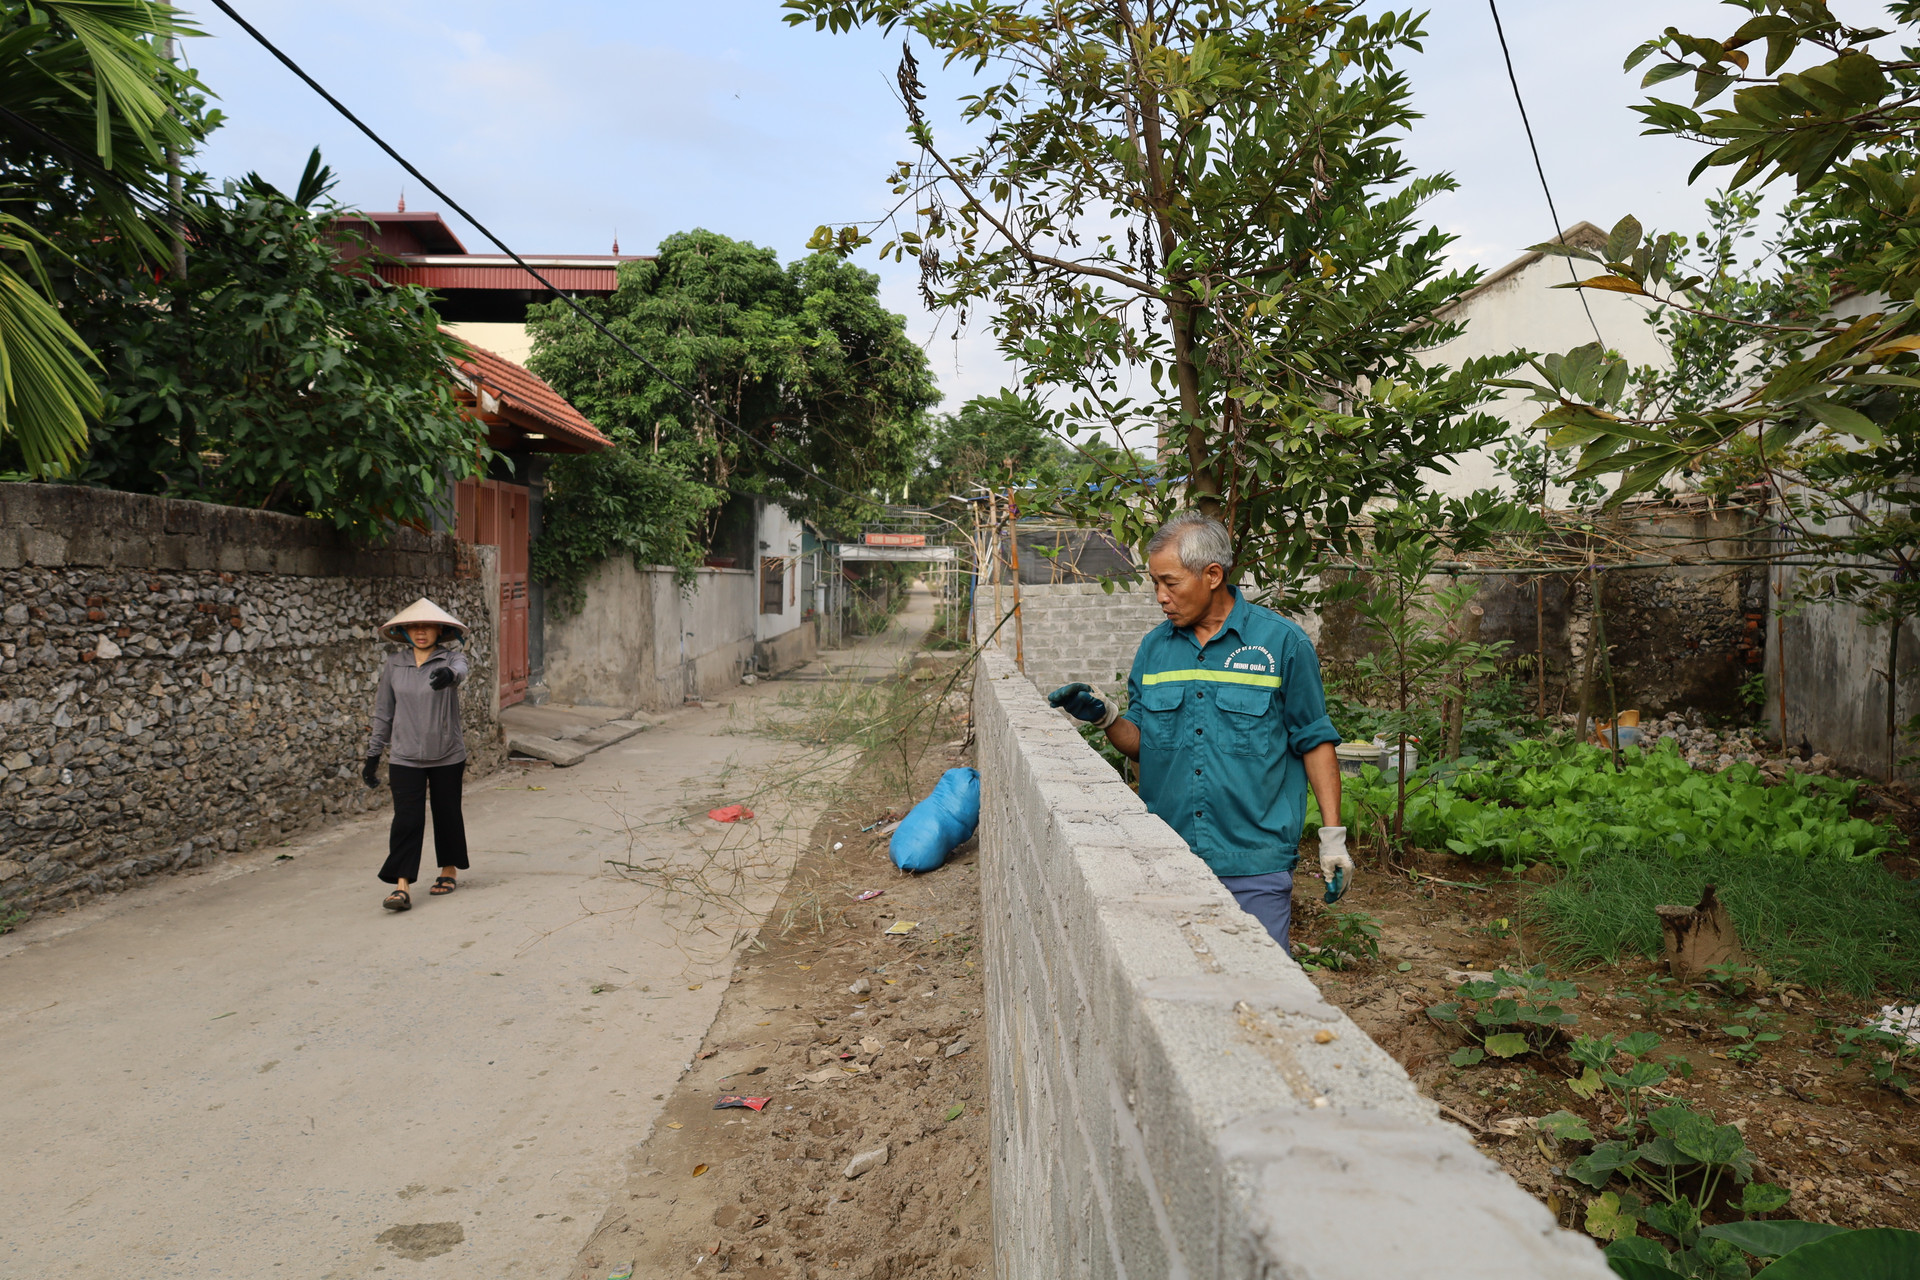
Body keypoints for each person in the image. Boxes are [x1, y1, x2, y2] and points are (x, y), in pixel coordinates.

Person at [1047, 510, 1348, 952]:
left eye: (1170, 583)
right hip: (1169, 860)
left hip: (1253, 864)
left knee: (1259, 995)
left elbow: (1314, 740)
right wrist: (1106, 718)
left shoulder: (1281, 643)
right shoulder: (1154, 649)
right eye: (1155, 584)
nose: (1160, 597)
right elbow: (1146, 748)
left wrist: (1333, 838)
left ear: (1211, 575)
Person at [365, 598, 472, 912]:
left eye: (426, 626)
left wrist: (449, 677)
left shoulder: (452, 659)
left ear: (440, 629)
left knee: (446, 812)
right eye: (414, 626)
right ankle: (401, 886)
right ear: (404, 631)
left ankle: (448, 869)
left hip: (447, 754)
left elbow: (461, 671)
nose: (421, 632)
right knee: (407, 820)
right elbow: (384, 712)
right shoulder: (395, 664)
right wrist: (373, 755)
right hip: (405, 756)